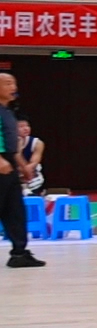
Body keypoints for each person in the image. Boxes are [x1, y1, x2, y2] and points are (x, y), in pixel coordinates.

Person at [0, 74, 44, 268]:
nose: (13, 87)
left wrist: (23, 166)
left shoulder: (8, 111)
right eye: (8, 83)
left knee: (15, 210)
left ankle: (19, 253)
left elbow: (12, 144)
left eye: (14, 83)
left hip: (8, 161)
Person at [16, 117, 44, 197]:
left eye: (27, 126)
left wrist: (18, 154)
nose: (25, 129)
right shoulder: (6, 144)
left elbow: (31, 167)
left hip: (32, 178)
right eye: (21, 126)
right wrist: (18, 150)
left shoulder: (37, 143)